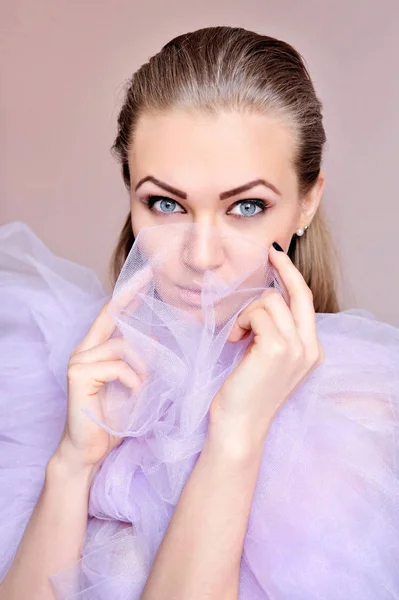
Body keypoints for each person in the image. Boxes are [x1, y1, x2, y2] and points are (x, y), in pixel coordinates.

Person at [0, 25, 398, 600]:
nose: (201, 256)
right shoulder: (69, 379)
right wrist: (74, 463)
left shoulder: (358, 425)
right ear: (130, 192)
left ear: (306, 202)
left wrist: (235, 434)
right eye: (165, 203)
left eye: (246, 207)